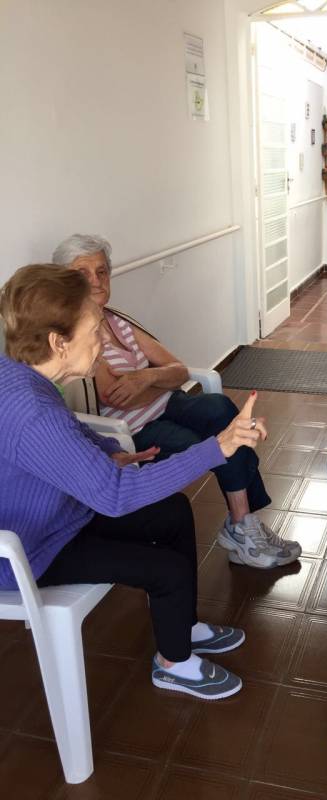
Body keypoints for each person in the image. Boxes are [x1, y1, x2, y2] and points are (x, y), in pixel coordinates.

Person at [0, 265, 277, 699]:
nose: (103, 342)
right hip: (31, 549)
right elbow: (116, 495)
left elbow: (65, 429)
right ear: (59, 342)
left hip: (57, 516)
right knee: (163, 570)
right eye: (94, 331)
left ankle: (182, 627)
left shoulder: (21, 376)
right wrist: (216, 447)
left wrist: (108, 450)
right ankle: (173, 663)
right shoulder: (29, 408)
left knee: (172, 512)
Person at [51, 233, 301, 570]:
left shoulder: (118, 320)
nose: (96, 281)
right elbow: (117, 398)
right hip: (134, 429)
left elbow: (178, 369)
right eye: (83, 274)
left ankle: (242, 525)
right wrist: (156, 378)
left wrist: (146, 378)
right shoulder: (75, 334)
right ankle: (243, 527)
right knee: (216, 441)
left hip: (169, 403)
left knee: (223, 410)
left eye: (102, 272)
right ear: (63, 281)